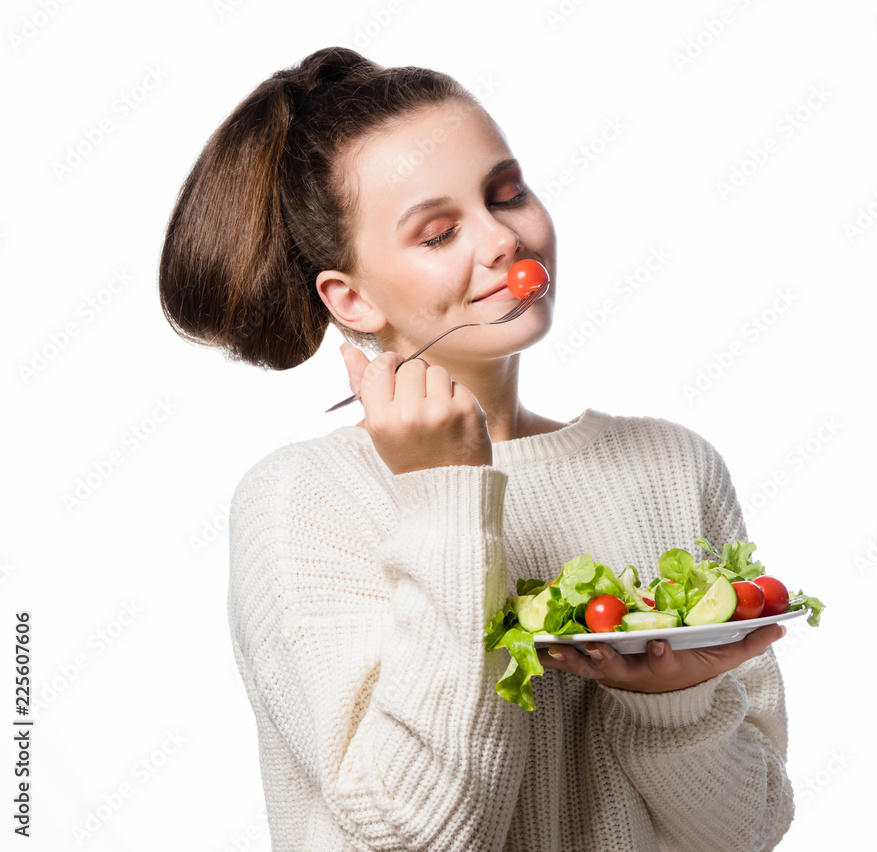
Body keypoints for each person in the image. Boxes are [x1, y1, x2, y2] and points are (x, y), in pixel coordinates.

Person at [159, 46, 793, 851]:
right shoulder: (301, 499)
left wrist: (672, 700)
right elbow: (416, 832)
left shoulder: (672, 467)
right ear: (350, 296)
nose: (503, 239)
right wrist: (447, 497)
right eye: (439, 231)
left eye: (508, 194)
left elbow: (750, 829)